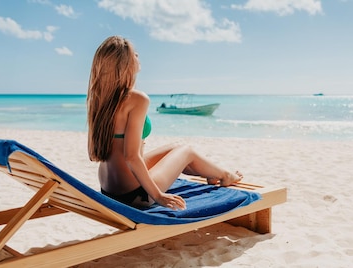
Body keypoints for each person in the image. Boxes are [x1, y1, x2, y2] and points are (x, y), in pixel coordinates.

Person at [86, 36, 243, 210]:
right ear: (124, 64)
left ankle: (214, 173)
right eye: (133, 54)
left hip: (108, 190)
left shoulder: (99, 99)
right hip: (135, 194)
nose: (137, 55)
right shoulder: (136, 99)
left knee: (176, 147)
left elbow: (96, 153)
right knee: (187, 151)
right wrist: (158, 196)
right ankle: (225, 175)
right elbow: (131, 157)